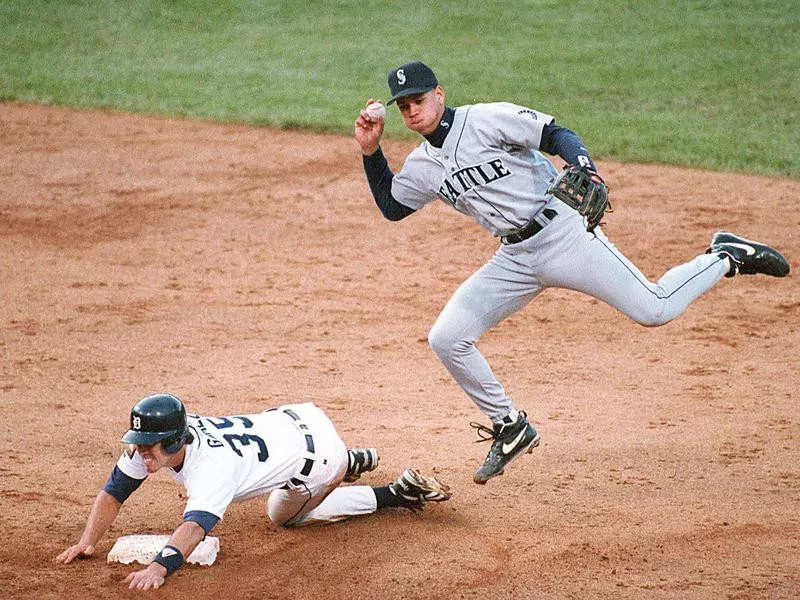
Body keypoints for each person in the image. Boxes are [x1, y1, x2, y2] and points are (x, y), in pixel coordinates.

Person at [353, 60, 790, 486]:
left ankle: (724, 255)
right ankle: (510, 426)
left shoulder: (485, 119)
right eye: (404, 104)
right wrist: (371, 151)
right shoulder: (423, 165)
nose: (412, 109)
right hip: (514, 259)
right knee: (446, 338)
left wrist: (584, 167)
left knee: (654, 309)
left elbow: (555, 133)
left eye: (419, 99)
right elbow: (393, 206)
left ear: (439, 95)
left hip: (562, 232)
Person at [54, 393, 450, 590]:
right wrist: (87, 541)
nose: (141, 452)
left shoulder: (211, 469)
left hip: (318, 455)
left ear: (176, 442)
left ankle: (391, 492)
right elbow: (114, 491)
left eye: (149, 445)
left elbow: (194, 529)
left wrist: (158, 568)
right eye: (139, 441)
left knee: (285, 516)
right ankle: (348, 461)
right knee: (287, 493)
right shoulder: (160, 443)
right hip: (295, 418)